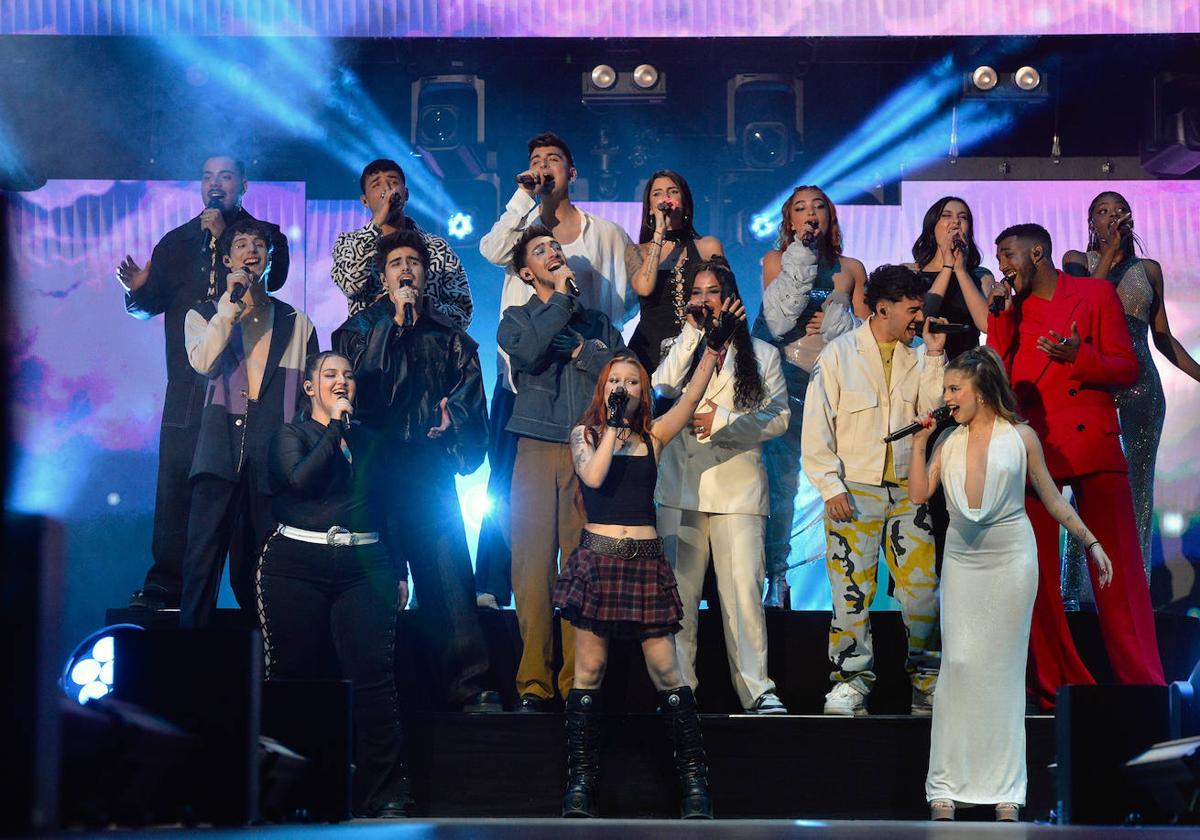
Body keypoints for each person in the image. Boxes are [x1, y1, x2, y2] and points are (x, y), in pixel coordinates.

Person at [909, 347, 1113, 823]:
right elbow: (920, 493)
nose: (948, 398)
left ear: (980, 390)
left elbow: (1051, 498)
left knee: (1002, 674)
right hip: (963, 560)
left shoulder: (1020, 437)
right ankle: (945, 786)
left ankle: (1006, 790)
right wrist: (919, 444)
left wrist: (1091, 542)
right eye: (945, 390)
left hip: (1010, 560)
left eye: (955, 389)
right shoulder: (948, 442)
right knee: (958, 667)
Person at [555, 335, 738, 819]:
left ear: (643, 389)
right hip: (598, 561)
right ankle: (580, 785)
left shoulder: (654, 436)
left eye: (631, 381)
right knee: (589, 672)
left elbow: (693, 397)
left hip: (644, 563)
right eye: (614, 380)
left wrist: (711, 353)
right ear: (603, 388)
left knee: (667, 672)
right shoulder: (585, 435)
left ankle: (695, 784)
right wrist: (612, 428)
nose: (622, 386)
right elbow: (592, 479)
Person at [988, 223, 1165, 709]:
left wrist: (1079, 356)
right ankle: (1056, 684)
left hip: (1093, 444)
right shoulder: (1008, 309)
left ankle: (1144, 689)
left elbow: (1127, 369)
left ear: (1037, 253)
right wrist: (998, 320)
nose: (1001, 265)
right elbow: (997, 376)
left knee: (1120, 572)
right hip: (1035, 447)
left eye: (1007, 255)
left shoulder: (1094, 296)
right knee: (1035, 573)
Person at [332, 228, 497, 713]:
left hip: (428, 476)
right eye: (396, 263)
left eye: (414, 262)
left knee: (448, 580)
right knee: (374, 583)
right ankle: (377, 691)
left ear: (426, 274)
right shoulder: (357, 331)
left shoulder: (452, 339)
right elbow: (357, 392)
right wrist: (393, 327)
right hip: (374, 477)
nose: (406, 269)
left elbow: (472, 406)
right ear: (383, 278)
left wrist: (454, 425)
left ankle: (468, 684)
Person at [474, 132, 639, 610]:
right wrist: (523, 197)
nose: (543, 166)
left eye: (553, 160)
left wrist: (594, 350)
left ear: (572, 172)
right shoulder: (520, 232)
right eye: (535, 160)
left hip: (584, 379)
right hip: (522, 380)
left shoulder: (601, 233)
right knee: (503, 488)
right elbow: (489, 249)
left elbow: (628, 293)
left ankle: (593, 601)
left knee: (585, 500)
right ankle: (492, 583)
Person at [118, 155, 290, 610]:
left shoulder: (263, 236)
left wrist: (225, 240)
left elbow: (282, 275)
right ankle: (167, 582)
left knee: (241, 489)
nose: (216, 185)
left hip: (243, 389)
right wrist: (136, 289)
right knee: (176, 485)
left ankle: (254, 587)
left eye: (226, 177)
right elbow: (146, 305)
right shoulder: (176, 242)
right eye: (208, 177)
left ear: (243, 185)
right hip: (188, 384)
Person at [258, 352, 412, 818]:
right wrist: (334, 430)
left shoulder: (369, 442)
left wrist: (400, 569)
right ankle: (292, 791)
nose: (342, 381)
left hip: (364, 565)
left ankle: (384, 791)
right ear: (310, 388)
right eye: (330, 375)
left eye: (348, 375)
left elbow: (386, 508)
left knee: (373, 679)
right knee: (296, 677)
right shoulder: (290, 434)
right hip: (295, 564)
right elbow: (298, 481)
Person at [802, 264, 947, 716]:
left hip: (909, 492)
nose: (917, 318)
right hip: (854, 490)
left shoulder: (922, 355)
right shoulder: (840, 354)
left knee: (921, 593)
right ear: (882, 309)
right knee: (850, 591)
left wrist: (937, 355)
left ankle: (928, 683)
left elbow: (935, 413)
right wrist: (829, 486)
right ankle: (850, 681)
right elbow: (816, 426)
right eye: (911, 310)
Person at [496, 224, 627, 713]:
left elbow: (621, 377)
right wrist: (561, 305)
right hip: (534, 445)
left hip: (587, 449)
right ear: (527, 272)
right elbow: (528, 353)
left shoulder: (596, 323)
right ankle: (533, 680)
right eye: (540, 250)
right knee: (530, 568)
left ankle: (580, 682)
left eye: (555, 246)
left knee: (582, 568)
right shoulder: (516, 318)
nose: (552, 252)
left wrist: (581, 349)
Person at [653, 257, 790, 714]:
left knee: (743, 595)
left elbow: (779, 417)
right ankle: (679, 689)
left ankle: (757, 688)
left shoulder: (763, 354)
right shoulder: (680, 344)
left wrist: (724, 422)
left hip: (738, 491)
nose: (704, 300)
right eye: (696, 292)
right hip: (681, 490)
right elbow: (665, 384)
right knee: (679, 598)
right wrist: (694, 334)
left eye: (712, 292)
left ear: (731, 299)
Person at [1061, 191, 1200, 603]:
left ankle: (1128, 591)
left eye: (1119, 210)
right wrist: (1109, 254)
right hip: (1094, 387)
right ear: (1091, 222)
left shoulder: (1150, 270)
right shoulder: (1075, 262)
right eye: (1102, 212)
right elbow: (1085, 305)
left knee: (1136, 489)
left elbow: (1162, 338)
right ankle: (1076, 591)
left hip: (1142, 388)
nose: (1112, 217)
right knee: (1087, 484)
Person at [179, 219, 317, 628]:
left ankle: (270, 666)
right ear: (227, 259)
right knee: (202, 560)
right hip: (219, 448)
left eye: (260, 244)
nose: (251, 251)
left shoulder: (297, 321)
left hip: (274, 451)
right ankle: (188, 666)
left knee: (264, 566)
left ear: (270, 258)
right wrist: (230, 304)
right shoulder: (203, 314)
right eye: (241, 244)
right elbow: (203, 362)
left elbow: (309, 396)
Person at [754, 184, 867, 608]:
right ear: (790, 222)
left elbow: (869, 333)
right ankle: (776, 575)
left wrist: (839, 320)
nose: (810, 213)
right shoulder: (774, 261)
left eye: (818, 206)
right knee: (780, 483)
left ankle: (849, 575)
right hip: (786, 382)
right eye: (800, 208)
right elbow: (777, 319)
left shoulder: (851, 268)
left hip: (833, 386)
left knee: (840, 479)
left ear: (830, 217)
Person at [904, 196, 996, 593]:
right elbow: (920, 319)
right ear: (932, 225)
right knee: (930, 488)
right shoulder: (909, 274)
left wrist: (959, 270)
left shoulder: (980, 274)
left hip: (971, 387)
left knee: (969, 483)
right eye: (947, 216)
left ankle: (970, 581)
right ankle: (930, 593)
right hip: (925, 384)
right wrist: (942, 267)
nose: (955, 223)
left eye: (963, 218)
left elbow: (987, 323)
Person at [330, 158, 472, 327]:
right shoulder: (349, 243)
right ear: (365, 201)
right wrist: (377, 223)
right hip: (374, 349)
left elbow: (462, 311)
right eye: (376, 185)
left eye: (393, 182)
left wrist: (421, 307)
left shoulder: (436, 248)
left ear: (405, 194)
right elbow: (351, 285)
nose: (387, 190)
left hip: (427, 348)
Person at [627, 169, 724, 373]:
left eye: (672, 191)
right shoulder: (636, 251)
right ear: (651, 208)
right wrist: (660, 231)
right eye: (657, 194)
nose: (665, 198)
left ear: (685, 203)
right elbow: (644, 288)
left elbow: (726, 300)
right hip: (650, 354)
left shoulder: (708, 246)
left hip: (700, 350)